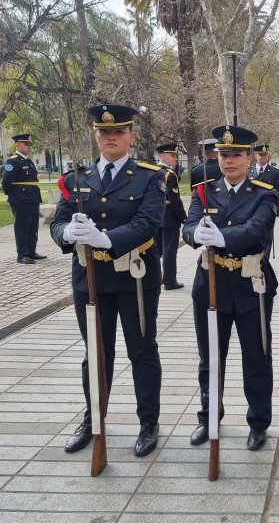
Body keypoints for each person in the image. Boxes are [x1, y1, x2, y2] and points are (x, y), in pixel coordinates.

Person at [50, 104, 165, 458]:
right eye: (104, 132)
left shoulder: (150, 176)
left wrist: (107, 238)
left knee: (142, 350)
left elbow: (148, 222)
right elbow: (58, 223)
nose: (111, 137)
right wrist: (67, 232)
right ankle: (93, 418)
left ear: (131, 135)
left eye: (118, 132)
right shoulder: (76, 178)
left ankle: (148, 421)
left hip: (133, 277)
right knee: (96, 354)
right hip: (90, 278)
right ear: (96, 135)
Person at [183, 125, 279, 451]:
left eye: (236, 154)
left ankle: (259, 422)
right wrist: (197, 234)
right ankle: (209, 416)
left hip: (252, 285)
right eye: (223, 155)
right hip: (211, 284)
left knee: (256, 357)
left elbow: (257, 229)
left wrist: (221, 237)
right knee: (210, 358)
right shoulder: (203, 192)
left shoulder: (265, 194)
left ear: (250, 158)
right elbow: (188, 226)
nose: (228, 160)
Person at [2, 134, 46, 264]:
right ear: (18, 145)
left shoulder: (27, 161)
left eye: (30, 144)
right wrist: (15, 195)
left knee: (33, 227)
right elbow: (6, 182)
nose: (29, 147)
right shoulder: (13, 161)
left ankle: (31, 252)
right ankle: (22, 254)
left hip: (32, 198)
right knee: (22, 228)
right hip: (20, 199)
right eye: (26, 144)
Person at [155, 143, 188, 290]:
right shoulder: (170, 174)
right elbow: (174, 199)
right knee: (169, 250)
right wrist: (184, 218)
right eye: (172, 155)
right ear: (163, 156)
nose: (175, 158)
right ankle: (169, 281)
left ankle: (153, 277)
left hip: (156, 215)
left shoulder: (153, 172)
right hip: (169, 216)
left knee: (157, 249)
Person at [247, 143, 279, 257]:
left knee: (267, 237)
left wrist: (277, 211)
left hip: (269, 209)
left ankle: (265, 261)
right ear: (255, 156)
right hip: (252, 210)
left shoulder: (274, 172)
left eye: (265, 155)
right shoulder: (248, 172)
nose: (264, 157)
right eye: (261, 155)